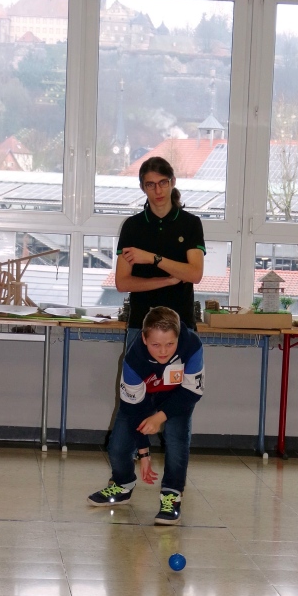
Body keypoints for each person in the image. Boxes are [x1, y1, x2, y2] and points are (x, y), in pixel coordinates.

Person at [87, 306, 204, 525]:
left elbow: (192, 391)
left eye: (170, 344)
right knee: (118, 447)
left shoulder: (192, 345)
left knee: (176, 438)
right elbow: (132, 408)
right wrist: (144, 453)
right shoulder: (134, 358)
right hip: (141, 400)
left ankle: (172, 495)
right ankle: (122, 485)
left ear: (179, 337)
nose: (163, 351)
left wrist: (161, 416)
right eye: (156, 345)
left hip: (178, 398)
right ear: (143, 338)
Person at [115, 156, 206, 346]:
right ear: (142, 187)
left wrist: (151, 258)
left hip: (181, 325)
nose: (158, 190)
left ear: (173, 182)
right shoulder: (132, 226)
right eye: (150, 185)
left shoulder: (191, 224)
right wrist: (167, 280)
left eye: (163, 183)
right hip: (141, 326)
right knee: (137, 377)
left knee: (182, 377)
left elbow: (195, 274)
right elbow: (122, 282)